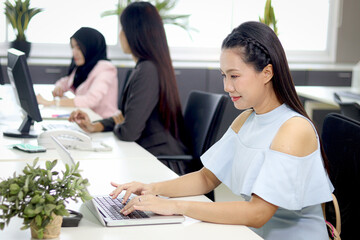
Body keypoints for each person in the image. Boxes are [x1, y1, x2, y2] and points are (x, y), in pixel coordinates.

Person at [109, 21, 334, 240]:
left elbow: (258, 213)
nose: (227, 87)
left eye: (234, 76)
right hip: (249, 233)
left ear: (267, 73)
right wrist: (151, 188)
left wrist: (174, 206)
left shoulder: (293, 129)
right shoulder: (247, 119)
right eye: (224, 76)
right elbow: (207, 177)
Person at [69, 2, 187, 156]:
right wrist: (95, 125)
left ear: (135, 33)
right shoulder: (145, 67)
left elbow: (128, 132)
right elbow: (125, 117)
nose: (120, 35)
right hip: (147, 153)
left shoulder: (147, 70)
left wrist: (121, 125)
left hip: (159, 159)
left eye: (123, 29)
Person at [36, 27, 118, 118]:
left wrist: (51, 102)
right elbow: (66, 81)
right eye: (73, 47)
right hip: (86, 119)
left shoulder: (106, 69)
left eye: (79, 48)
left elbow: (90, 100)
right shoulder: (83, 66)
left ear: (90, 47)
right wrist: (59, 87)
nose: (74, 52)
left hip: (102, 123)